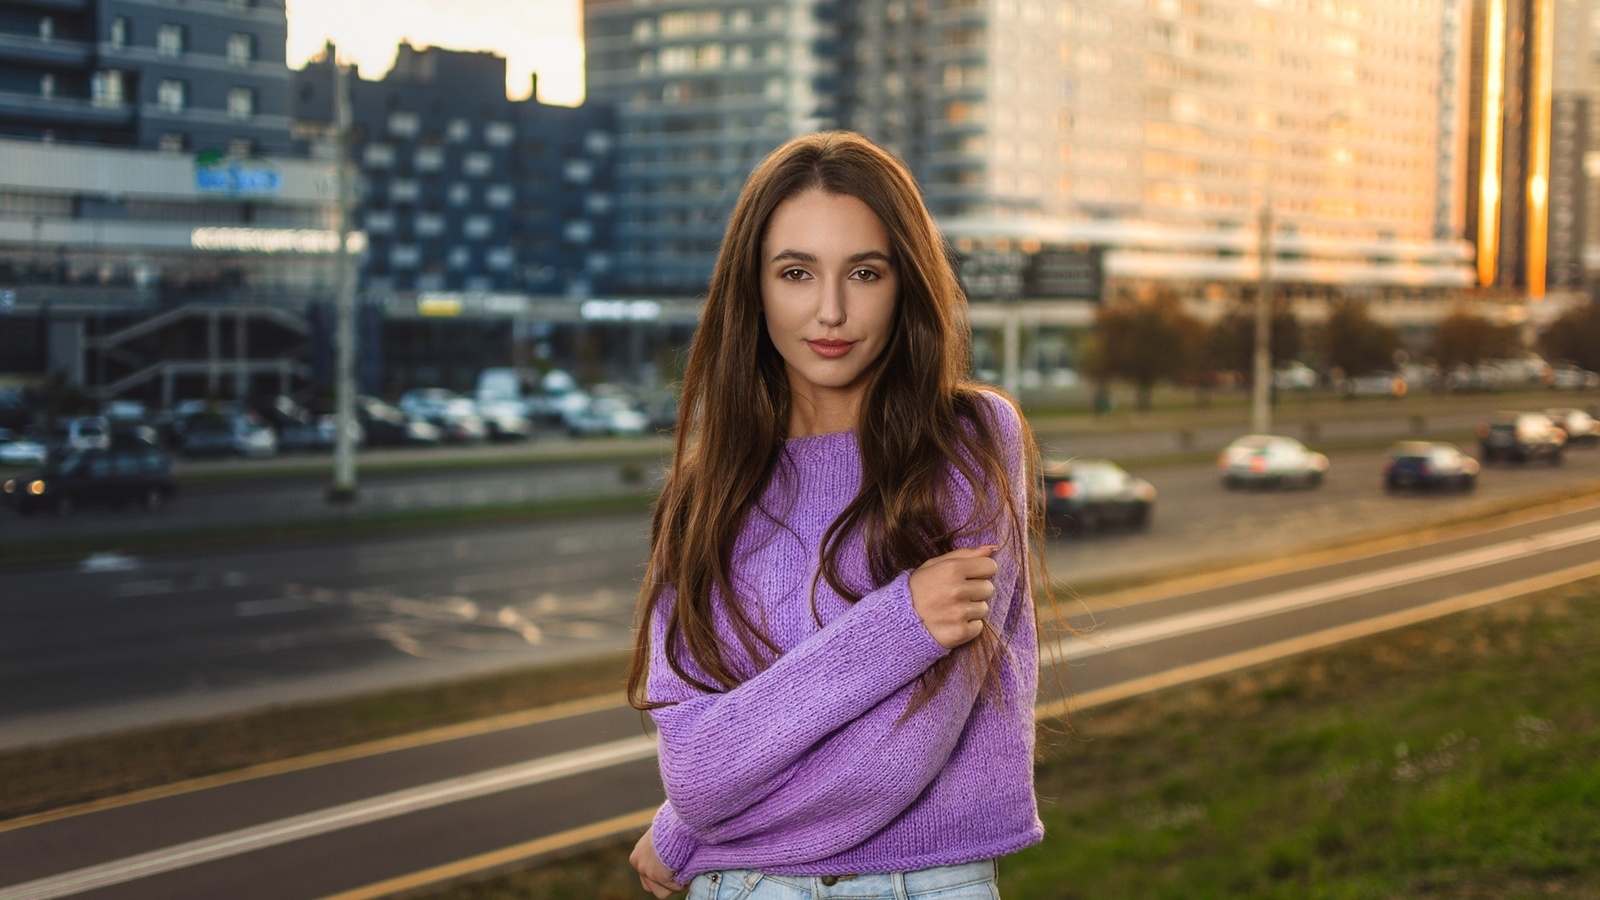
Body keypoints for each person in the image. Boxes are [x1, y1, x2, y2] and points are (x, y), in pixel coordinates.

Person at [627, 131, 1044, 900]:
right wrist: (902, 624)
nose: (830, 310)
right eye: (795, 273)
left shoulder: (972, 444)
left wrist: (691, 825)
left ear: (905, 282)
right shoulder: (705, 495)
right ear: (752, 288)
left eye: (864, 271)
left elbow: (893, 761)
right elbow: (696, 771)